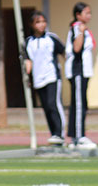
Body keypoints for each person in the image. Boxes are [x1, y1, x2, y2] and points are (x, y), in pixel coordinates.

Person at [24, 11, 66, 145]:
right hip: (38, 79)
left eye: (43, 21)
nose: (41, 25)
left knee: (53, 104)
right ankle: (53, 134)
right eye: (38, 22)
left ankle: (60, 133)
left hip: (52, 77)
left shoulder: (51, 38)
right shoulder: (28, 42)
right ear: (32, 24)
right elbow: (28, 61)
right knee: (46, 107)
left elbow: (64, 53)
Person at [64, 2, 97, 150]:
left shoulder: (82, 28)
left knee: (81, 103)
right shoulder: (78, 28)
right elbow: (77, 48)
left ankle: (75, 136)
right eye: (86, 13)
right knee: (78, 105)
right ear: (78, 15)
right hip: (78, 71)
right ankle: (79, 137)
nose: (89, 16)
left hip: (84, 72)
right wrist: (81, 32)